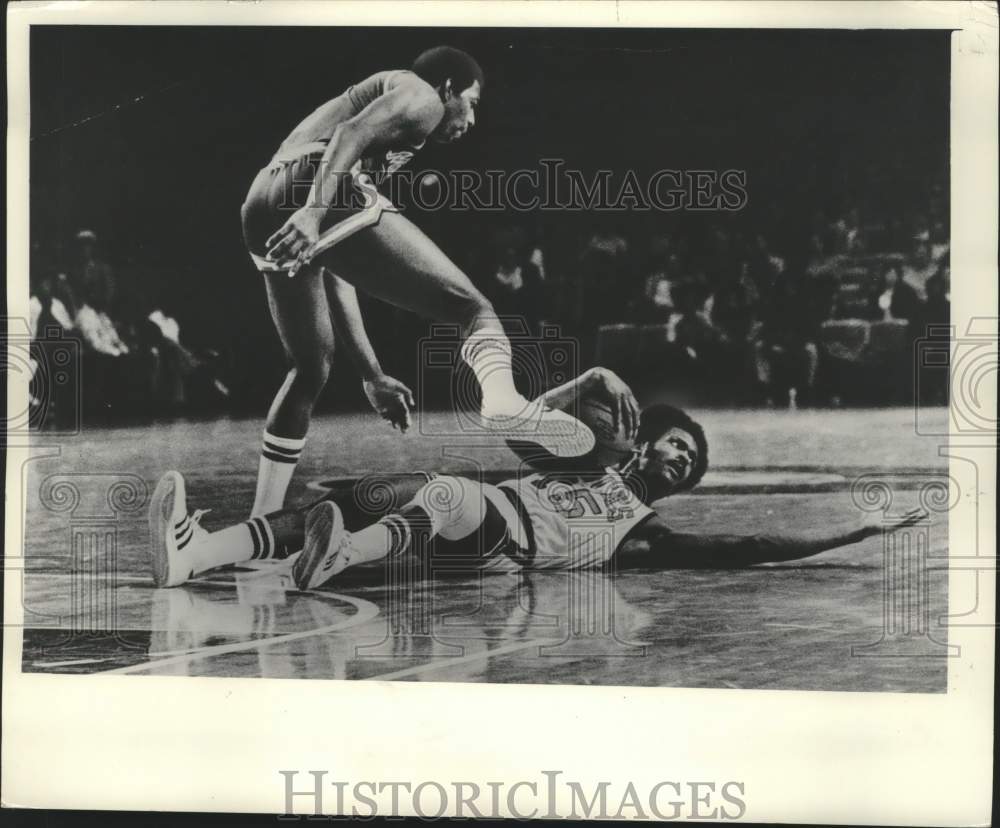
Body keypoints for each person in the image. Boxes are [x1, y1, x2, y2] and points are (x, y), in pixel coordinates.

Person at [147, 367, 925, 589]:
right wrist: (586, 377)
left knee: (448, 495)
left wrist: (849, 532)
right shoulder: (591, 458)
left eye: (690, 461)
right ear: (647, 444)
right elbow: (510, 422)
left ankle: (337, 561)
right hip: (472, 514)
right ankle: (199, 556)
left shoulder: (643, 532)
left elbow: (743, 543)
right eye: (676, 444)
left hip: (497, 549)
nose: (681, 458)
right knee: (342, 496)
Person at [240, 45, 593, 517]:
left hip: (260, 203)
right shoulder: (422, 95)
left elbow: (335, 271)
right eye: (472, 103)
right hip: (308, 190)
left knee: (309, 369)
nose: (471, 119)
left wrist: (372, 374)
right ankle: (504, 400)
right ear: (449, 88)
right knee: (473, 309)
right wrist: (313, 211)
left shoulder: (373, 133)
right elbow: (352, 132)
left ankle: (261, 519)